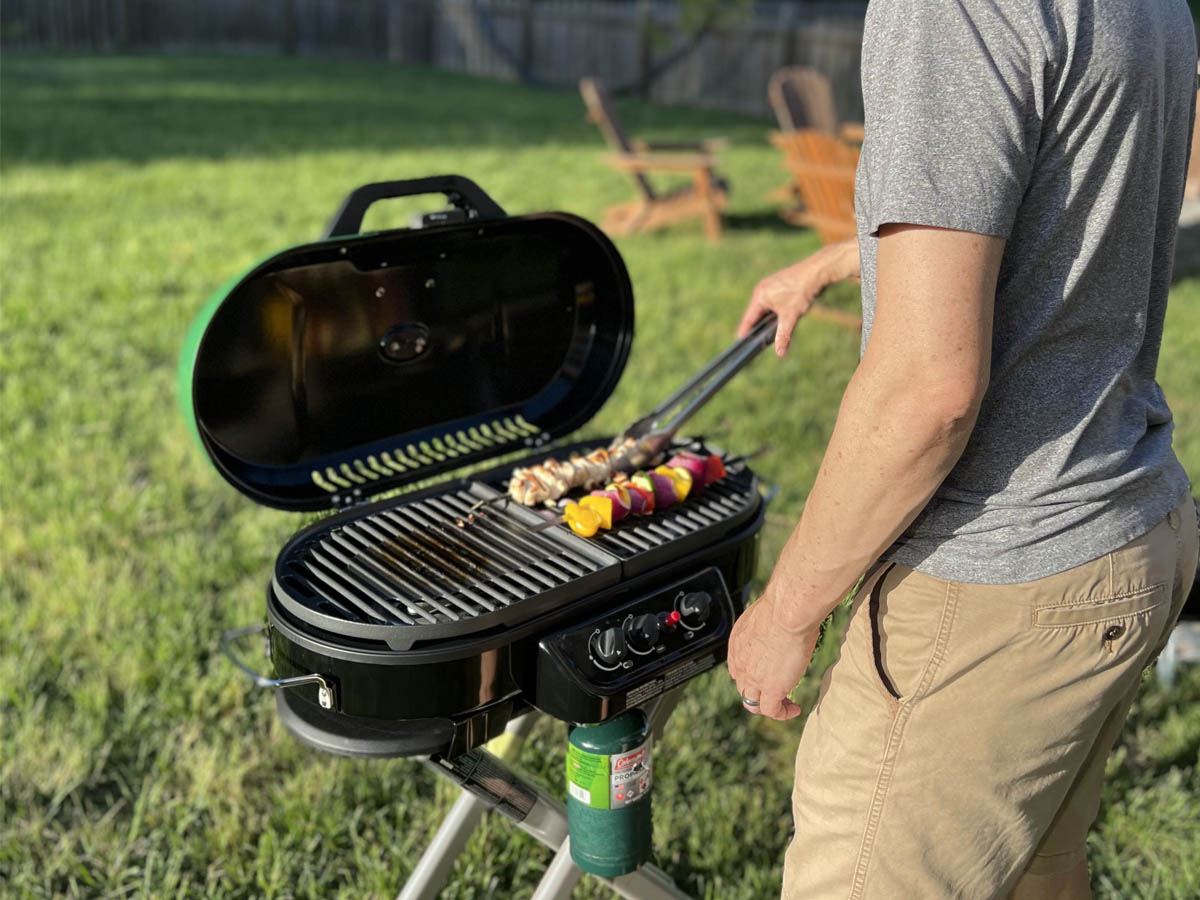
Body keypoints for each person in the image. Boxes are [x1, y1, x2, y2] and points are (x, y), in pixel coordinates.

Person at [726, 1, 1199, 898]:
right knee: (1040, 875)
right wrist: (839, 260)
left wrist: (784, 615)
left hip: (998, 582)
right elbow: (1058, 202)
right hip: (1132, 528)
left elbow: (926, 395)